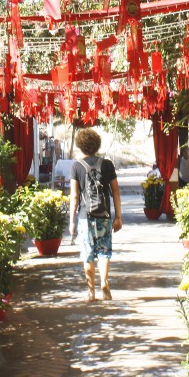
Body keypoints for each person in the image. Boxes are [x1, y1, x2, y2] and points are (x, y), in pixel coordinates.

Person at [69, 128, 122, 301]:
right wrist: (118, 217)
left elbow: (74, 196)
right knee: (104, 251)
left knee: (88, 253)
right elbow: (115, 191)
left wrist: (72, 222)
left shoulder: (76, 166)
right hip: (104, 214)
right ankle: (105, 284)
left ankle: (91, 292)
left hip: (85, 216)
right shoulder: (107, 164)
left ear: (80, 145)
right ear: (96, 144)